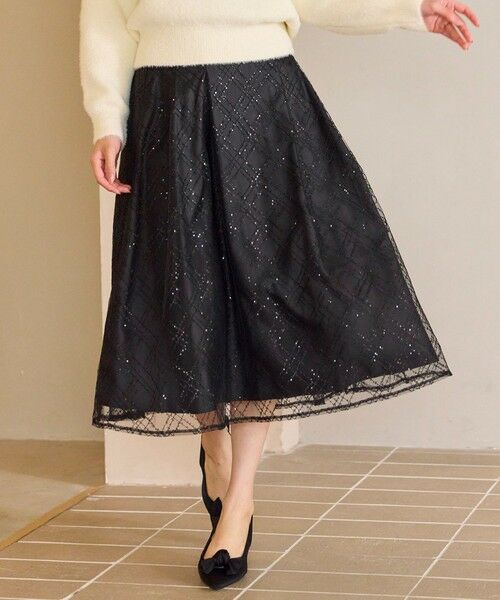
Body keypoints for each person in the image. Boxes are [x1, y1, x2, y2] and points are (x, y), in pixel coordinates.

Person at [79, 0, 478, 590]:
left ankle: (239, 498)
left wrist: (409, 10)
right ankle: (215, 454)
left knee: (264, 297)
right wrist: (107, 119)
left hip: (263, 102)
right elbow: (104, 23)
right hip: (167, 108)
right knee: (185, 294)